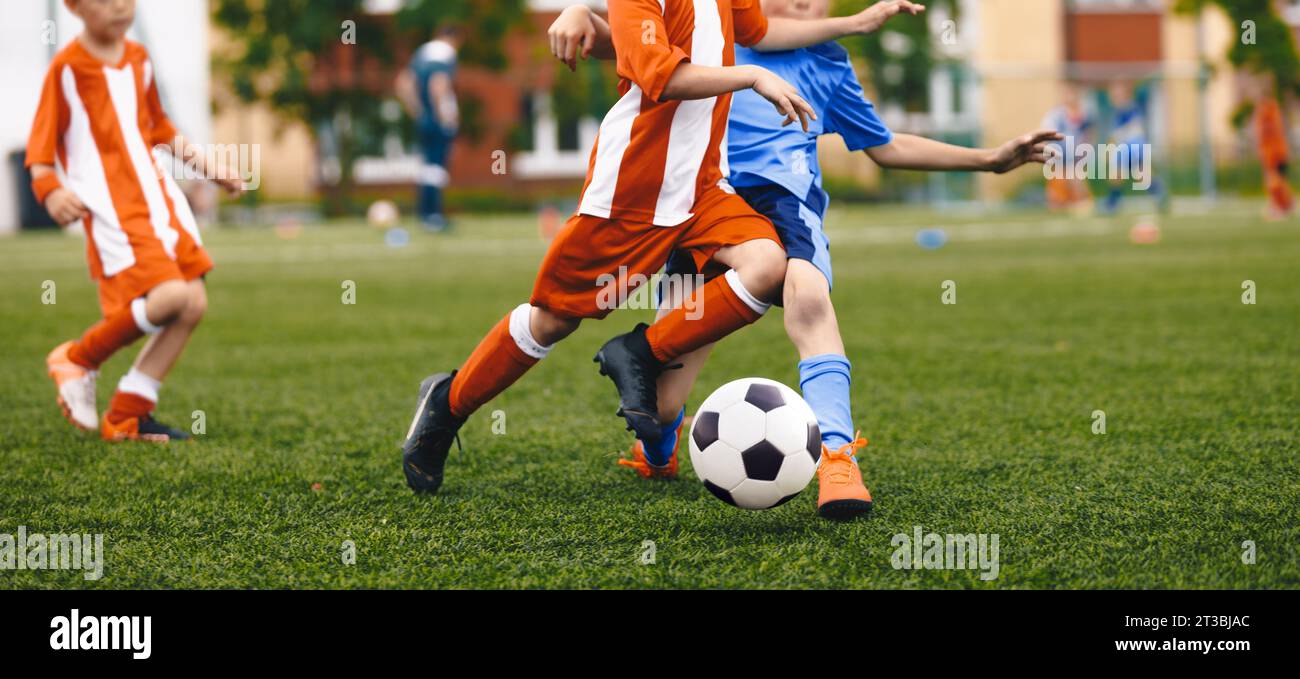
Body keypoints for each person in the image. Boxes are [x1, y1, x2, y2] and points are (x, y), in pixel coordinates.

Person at [549, 0, 1060, 519]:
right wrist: (575, 10)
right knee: (658, 404)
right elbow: (631, 40)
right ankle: (658, 449)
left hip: (785, 202)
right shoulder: (714, 33)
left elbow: (885, 146)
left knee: (809, 296)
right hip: (700, 205)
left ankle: (837, 458)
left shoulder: (829, 62)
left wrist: (991, 160)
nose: (801, 2)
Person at [401, 0, 924, 496]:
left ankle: (639, 353)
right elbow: (664, 76)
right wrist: (753, 75)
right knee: (552, 320)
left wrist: (856, 22)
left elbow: (761, 31)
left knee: (766, 264)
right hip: (633, 190)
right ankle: (448, 403)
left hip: (704, 188)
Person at [30, 0, 242, 442]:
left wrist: (208, 166)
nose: (120, 7)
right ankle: (79, 358)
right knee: (168, 298)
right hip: (113, 209)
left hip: (160, 201)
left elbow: (159, 127)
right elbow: (40, 150)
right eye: (105, 0)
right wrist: (50, 191)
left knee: (193, 304)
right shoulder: (67, 68)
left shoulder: (139, 59)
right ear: (74, 7)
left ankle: (127, 415)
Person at [397, 25, 461, 232]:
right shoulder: (445, 54)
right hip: (437, 119)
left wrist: (418, 112)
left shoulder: (422, 53)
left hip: (425, 119)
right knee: (436, 168)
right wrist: (443, 116)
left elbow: (404, 84)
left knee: (427, 168)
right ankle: (433, 216)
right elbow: (438, 83)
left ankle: (425, 214)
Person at [1041, 82, 1093, 213]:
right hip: (1059, 155)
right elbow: (1046, 134)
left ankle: (1080, 201)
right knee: (1059, 185)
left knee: (1075, 178)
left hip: (1075, 155)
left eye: (1071, 92)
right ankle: (1061, 202)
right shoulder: (1056, 115)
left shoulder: (1084, 114)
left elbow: (1088, 133)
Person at [1250, 75, 1293, 220]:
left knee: (1274, 181)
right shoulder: (1265, 109)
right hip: (1272, 151)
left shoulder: (1269, 109)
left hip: (1275, 152)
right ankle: (1284, 205)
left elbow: (1270, 130)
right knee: (1275, 181)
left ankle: (1279, 206)